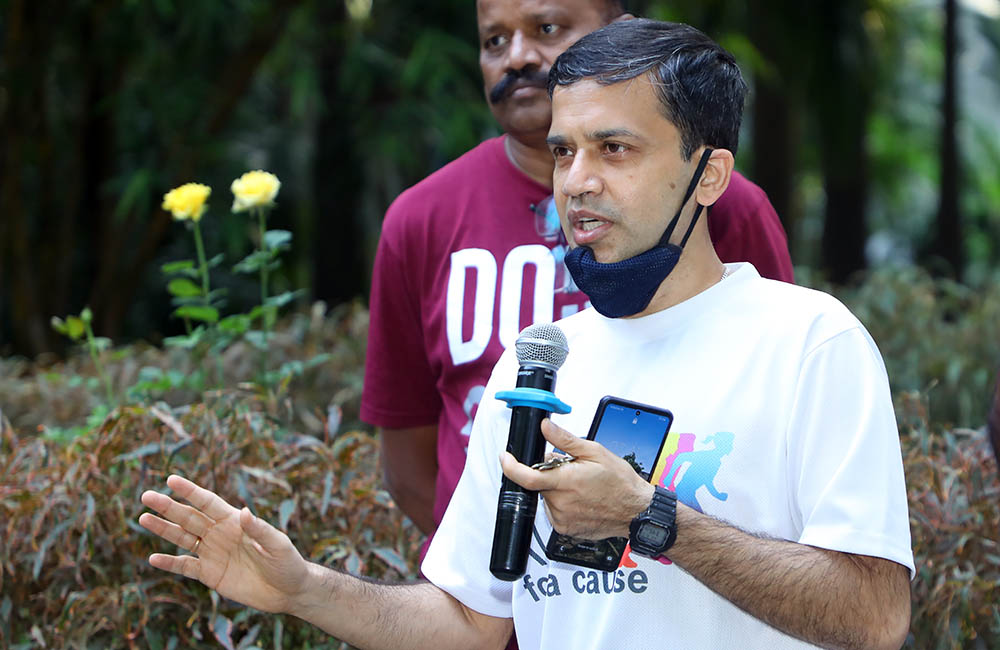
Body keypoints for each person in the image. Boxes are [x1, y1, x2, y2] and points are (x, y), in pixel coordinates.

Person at [140, 20, 912, 649]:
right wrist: (305, 590)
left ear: (709, 176)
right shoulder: (541, 360)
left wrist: (652, 519)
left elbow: (876, 615)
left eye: (615, 149)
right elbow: (471, 620)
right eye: (563, 151)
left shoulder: (812, 341)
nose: (577, 181)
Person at [363, 0, 794, 542]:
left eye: (547, 29)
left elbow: (774, 418)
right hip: (483, 603)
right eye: (494, 40)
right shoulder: (420, 219)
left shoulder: (720, 205)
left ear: (620, 34)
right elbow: (406, 456)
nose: (516, 57)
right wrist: (503, 575)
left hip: (666, 582)